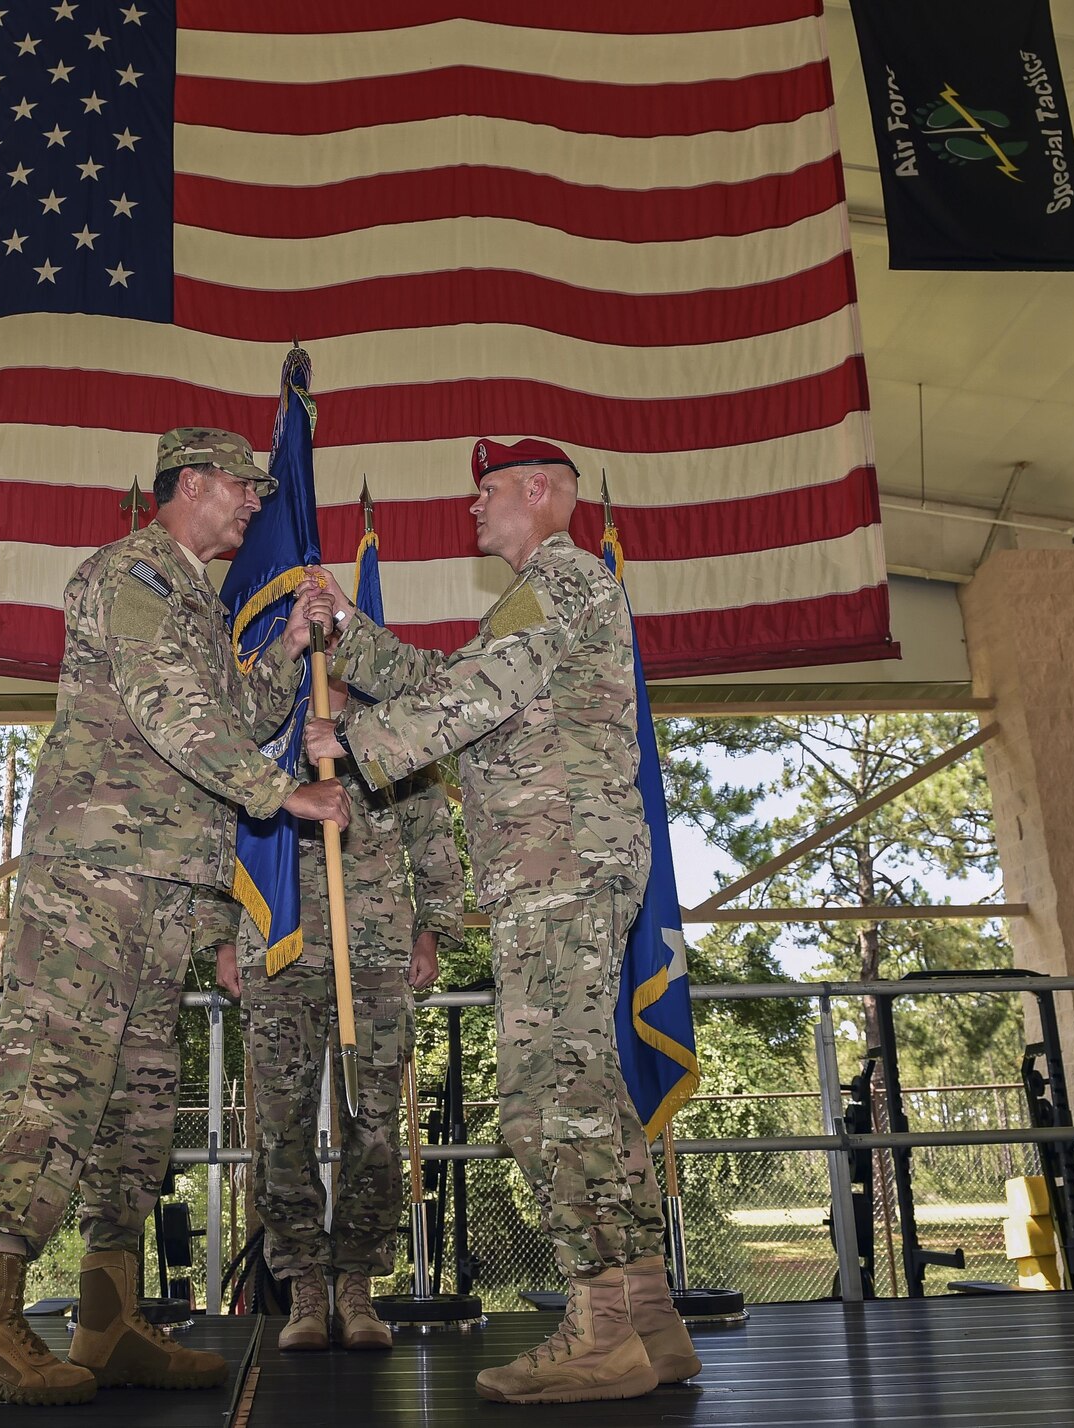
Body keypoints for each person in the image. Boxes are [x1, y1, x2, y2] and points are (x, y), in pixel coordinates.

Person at [0, 428, 350, 1407]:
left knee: (135, 1108)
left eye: (259, 492)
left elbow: (236, 709)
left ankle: (105, 1318)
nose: (254, 506)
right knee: (58, 1086)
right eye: (241, 491)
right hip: (94, 882)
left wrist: (290, 650)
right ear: (194, 484)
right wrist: (278, 794)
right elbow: (174, 712)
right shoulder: (130, 574)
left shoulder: (195, 599)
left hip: (161, 891)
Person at [302, 438, 699, 1405]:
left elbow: (469, 696)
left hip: (559, 868)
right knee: (593, 1092)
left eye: (486, 493)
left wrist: (346, 745)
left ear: (538, 491)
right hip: (567, 866)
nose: (473, 510)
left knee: (541, 1097)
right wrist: (347, 635)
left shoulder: (558, 582)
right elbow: (456, 678)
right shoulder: (553, 596)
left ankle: (598, 1328)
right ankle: (647, 1316)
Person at [211, 690, 467, 1353]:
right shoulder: (261, 729)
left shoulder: (394, 733)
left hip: (376, 953)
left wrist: (432, 931)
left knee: (375, 1128)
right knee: (279, 1126)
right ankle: (303, 1288)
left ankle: (356, 1288)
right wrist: (219, 938)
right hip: (278, 949)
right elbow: (220, 833)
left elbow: (431, 833)